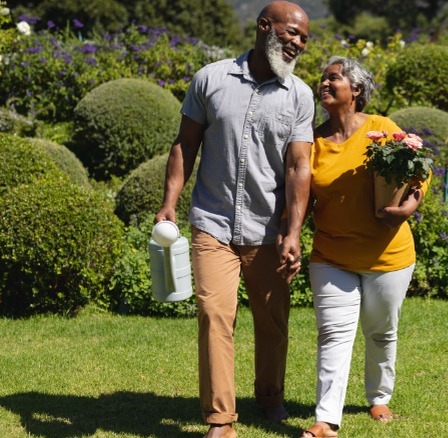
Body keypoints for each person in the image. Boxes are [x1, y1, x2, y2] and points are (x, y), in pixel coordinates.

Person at [154, 2, 313, 437]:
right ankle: (221, 419)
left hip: (268, 230)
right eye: (292, 33)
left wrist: (293, 232)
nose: (298, 43)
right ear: (265, 27)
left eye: (304, 38)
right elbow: (186, 144)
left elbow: (300, 167)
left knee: (273, 321)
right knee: (214, 315)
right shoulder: (211, 78)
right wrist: (170, 202)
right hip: (213, 221)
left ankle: (270, 397)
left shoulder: (299, 94)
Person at [299, 56, 429, 438]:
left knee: (380, 331)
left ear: (356, 90)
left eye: (333, 78)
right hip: (331, 256)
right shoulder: (313, 141)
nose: (324, 83)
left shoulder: (381, 128)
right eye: (322, 79)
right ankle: (326, 420)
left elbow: (420, 169)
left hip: (388, 256)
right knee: (333, 335)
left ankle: (378, 396)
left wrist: (409, 205)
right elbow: (302, 199)